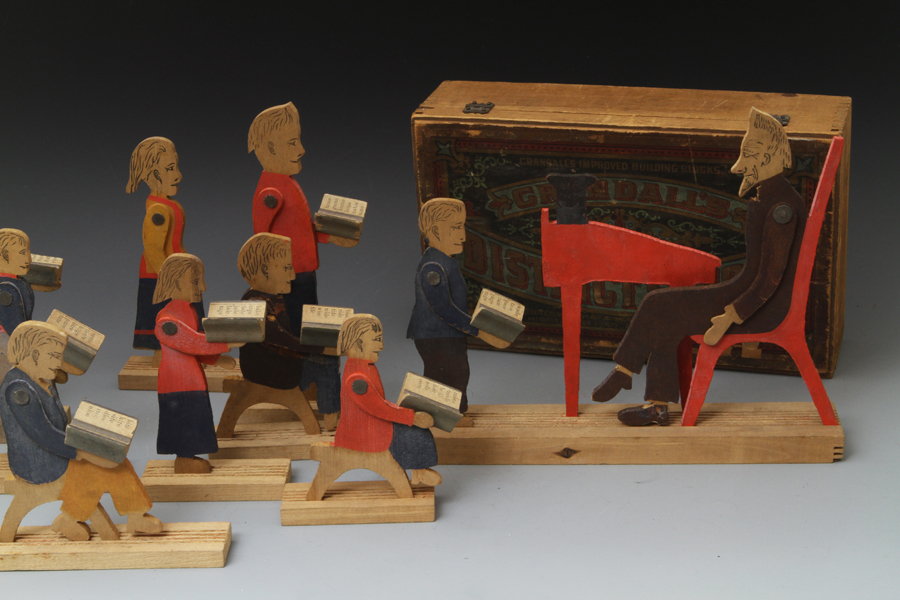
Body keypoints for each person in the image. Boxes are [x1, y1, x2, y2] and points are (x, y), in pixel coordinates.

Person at [592, 108, 805, 426]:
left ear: (766, 157)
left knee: (658, 305)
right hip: (744, 292)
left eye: (747, 156)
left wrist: (730, 315)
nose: (739, 166)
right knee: (662, 309)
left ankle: (627, 374)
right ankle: (653, 403)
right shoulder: (772, 196)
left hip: (759, 307)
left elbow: (770, 279)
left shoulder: (782, 208)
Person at [247, 102, 357, 429]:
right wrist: (267, 283)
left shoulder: (285, 183)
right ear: (270, 149)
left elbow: (301, 228)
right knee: (308, 337)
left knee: (310, 330)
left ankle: (312, 387)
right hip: (288, 280)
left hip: (302, 275)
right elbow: (261, 244)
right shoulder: (271, 192)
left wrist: (330, 235)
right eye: (293, 142)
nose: (302, 149)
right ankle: (321, 398)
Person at [0, 321, 160, 541]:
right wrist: (82, 451)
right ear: (35, 354)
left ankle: (135, 516)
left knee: (116, 461)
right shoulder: (19, 391)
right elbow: (43, 435)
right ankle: (71, 519)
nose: (59, 362)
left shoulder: (36, 376)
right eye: (54, 356)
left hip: (55, 451)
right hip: (40, 463)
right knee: (101, 469)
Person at [406, 198, 508, 413]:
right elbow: (445, 309)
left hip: (447, 334)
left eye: (462, 227)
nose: (463, 235)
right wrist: (480, 331)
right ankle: (441, 417)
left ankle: (447, 415)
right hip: (435, 335)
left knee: (457, 373)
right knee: (447, 374)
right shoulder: (433, 267)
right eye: (456, 227)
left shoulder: (445, 261)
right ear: (436, 230)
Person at [153, 253, 237, 473]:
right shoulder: (166, 320)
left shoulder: (188, 310)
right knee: (184, 419)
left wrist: (217, 359)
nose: (204, 287)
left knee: (196, 417)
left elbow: (194, 346)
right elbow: (192, 342)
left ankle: (188, 457)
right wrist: (228, 341)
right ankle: (184, 459)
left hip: (192, 379)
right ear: (176, 282)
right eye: (196, 281)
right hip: (176, 384)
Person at [335, 314, 441, 486]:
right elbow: (378, 407)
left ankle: (419, 471)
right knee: (415, 432)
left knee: (413, 429)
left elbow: (379, 404)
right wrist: (411, 417)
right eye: (376, 340)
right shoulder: (357, 379)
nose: (382, 346)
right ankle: (419, 471)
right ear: (359, 343)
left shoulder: (363, 367)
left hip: (371, 426)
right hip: (364, 433)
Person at [127, 137, 203, 356]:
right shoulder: (158, 211)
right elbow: (153, 249)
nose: (178, 175)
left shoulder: (166, 205)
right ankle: (165, 359)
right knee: (166, 321)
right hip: (160, 276)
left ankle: (183, 353)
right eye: (170, 169)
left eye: (175, 167)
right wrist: (171, 281)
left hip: (175, 274)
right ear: (154, 175)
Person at [236, 233, 324, 390]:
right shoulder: (255, 305)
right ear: (265, 270)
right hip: (270, 374)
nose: (292, 275)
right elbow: (282, 340)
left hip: (278, 365)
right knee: (328, 364)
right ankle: (331, 405)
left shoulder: (272, 298)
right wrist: (322, 348)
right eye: (287, 268)